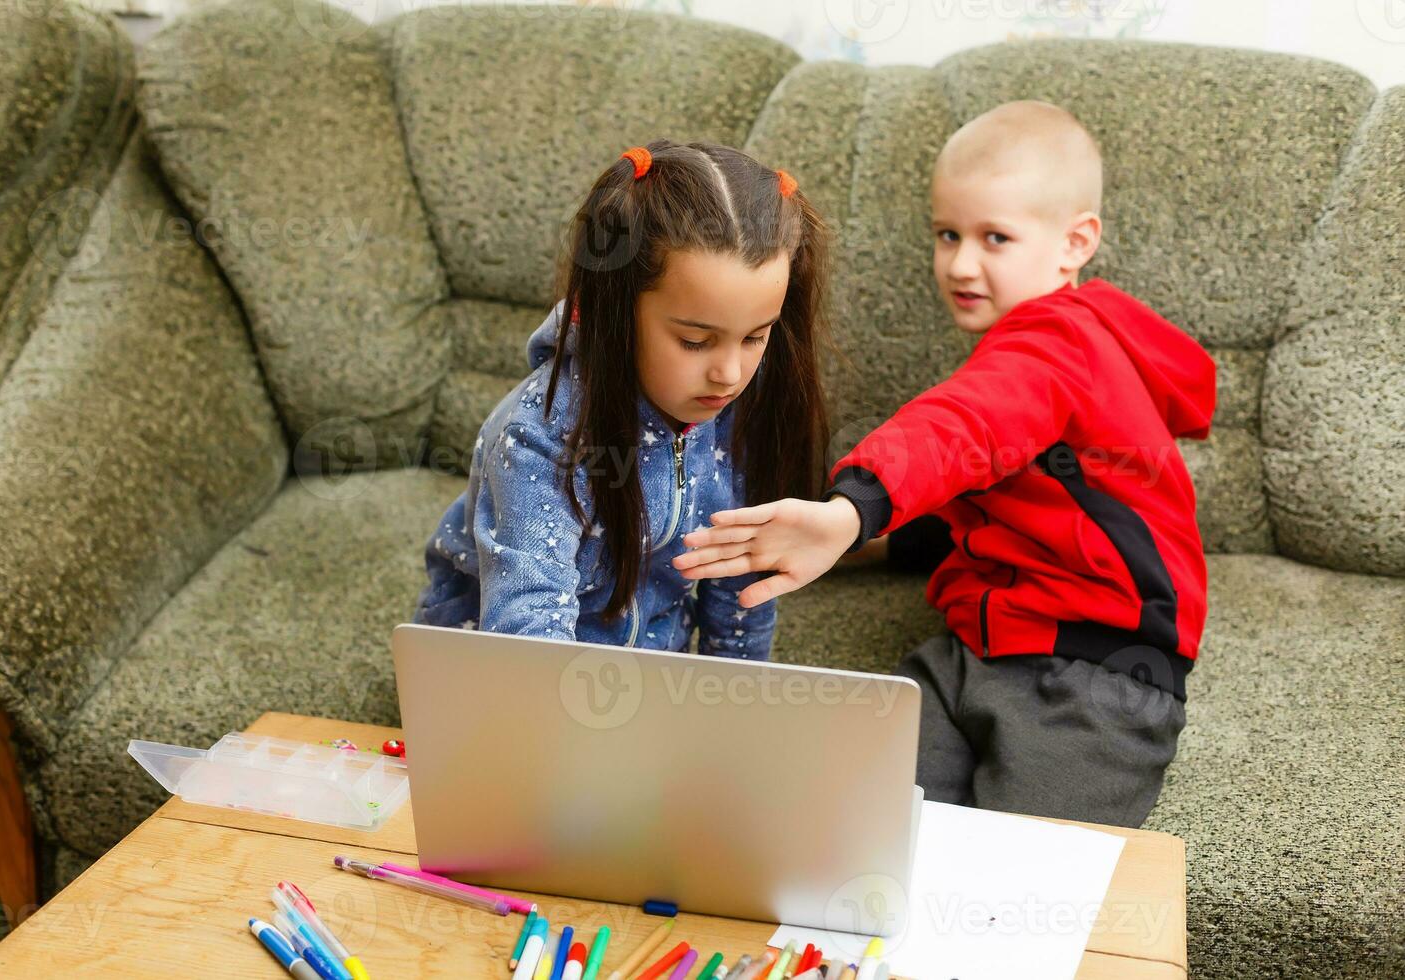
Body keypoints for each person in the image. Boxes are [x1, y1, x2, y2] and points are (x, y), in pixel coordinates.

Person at [674, 102, 1216, 827]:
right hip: (972, 652)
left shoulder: (1057, 344)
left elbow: (960, 427)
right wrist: (857, 539)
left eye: (995, 237)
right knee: (844, 819)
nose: (961, 264)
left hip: (1092, 675)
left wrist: (850, 508)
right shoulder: (1038, 351)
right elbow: (1006, 499)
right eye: (947, 234)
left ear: (1075, 242)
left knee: (1020, 886)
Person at [414, 139, 830, 660]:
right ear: (616, 315)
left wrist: (735, 707)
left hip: (645, 679)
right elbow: (527, 639)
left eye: (754, 337)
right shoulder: (537, 439)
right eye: (695, 342)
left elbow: (740, 589)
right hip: (504, 677)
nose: (730, 374)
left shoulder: (747, 401)